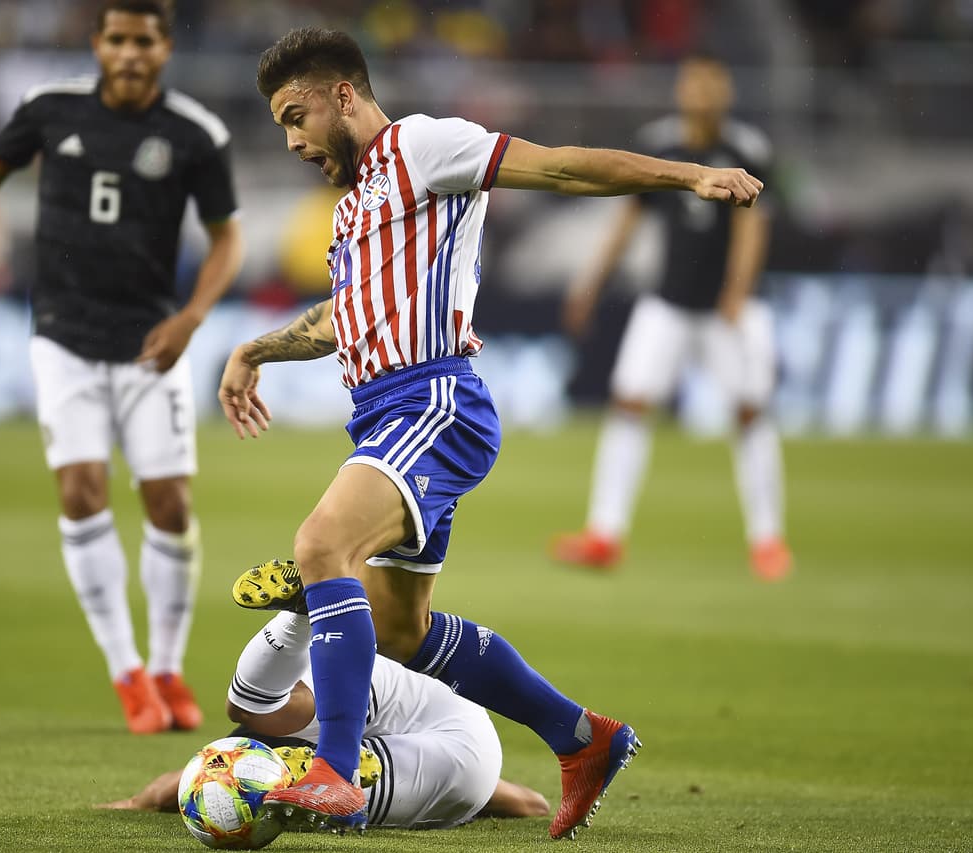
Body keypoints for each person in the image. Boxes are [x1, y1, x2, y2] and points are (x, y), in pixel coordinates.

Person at [215, 27, 762, 839]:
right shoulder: (359, 204)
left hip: (431, 403)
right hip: (387, 416)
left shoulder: (423, 147)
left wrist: (689, 174)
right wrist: (255, 349)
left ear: (343, 95)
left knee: (321, 546)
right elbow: (344, 317)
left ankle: (334, 770)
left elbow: (563, 166)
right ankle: (581, 737)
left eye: (296, 117)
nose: (292, 141)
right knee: (399, 629)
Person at [0, 0, 244, 734]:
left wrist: (192, 317)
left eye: (144, 41)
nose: (130, 53)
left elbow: (226, 238)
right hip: (63, 337)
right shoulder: (49, 109)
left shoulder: (196, 134)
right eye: (118, 39)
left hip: (151, 341)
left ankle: (167, 666)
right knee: (80, 492)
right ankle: (127, 672)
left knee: (170, 505)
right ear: (97, 43)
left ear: (165, 48)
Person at [552, 54, 792, 582]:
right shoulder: (660, 144)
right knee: (629, 404)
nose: (702, 94)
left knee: (750, 413)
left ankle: (768, 540)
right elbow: (629, 219)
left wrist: (737, 292)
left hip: (727, 309)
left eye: (711, 84)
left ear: (726, 92)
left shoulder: (746, 150)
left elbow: (754, 227)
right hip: (667, 303)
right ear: (681, 90)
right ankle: (604, 534)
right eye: (694, 83)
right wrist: (591, 283)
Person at [99, 604, 550, 829]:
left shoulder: (316, 694)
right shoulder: (329, 676)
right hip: (463, 735)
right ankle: (293, 621)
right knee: (258, 710)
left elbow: (189, 781)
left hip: (453, 755)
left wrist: (138, 802)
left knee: (264, 762)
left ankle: (293, 622)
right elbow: (527, 801)